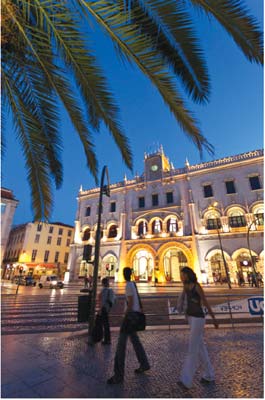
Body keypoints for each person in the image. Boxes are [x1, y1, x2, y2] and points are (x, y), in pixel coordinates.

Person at [107, 267, 150, 384]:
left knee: (120, 346)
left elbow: (130, 302)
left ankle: (118, 375)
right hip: (134, 315)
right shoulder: (133, 284)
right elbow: (136, 300)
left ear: (124, 274)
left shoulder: (128, 286)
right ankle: (144, 364)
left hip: (129, 317)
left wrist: (124, 315)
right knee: (135, 341)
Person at [178, 266, 218, 390]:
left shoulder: (197, 286)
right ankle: (209, 374)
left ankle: (186, 380)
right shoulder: (185, 287)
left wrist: (214, 318)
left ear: (188, 275)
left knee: (192, 348)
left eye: (183, 275)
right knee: (201, 347)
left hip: (198, 318)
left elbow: (205, 302)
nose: (181, 277)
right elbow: (183, 301)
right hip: (190, 318)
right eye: (181, 275)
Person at [98, 277, 114, 345]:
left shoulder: (105, 290)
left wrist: (100, 309)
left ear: (102, 283)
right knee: (104, 324)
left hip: (104, 309)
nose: (109, 283)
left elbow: (103, 301)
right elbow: (113, 300)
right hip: (106, 309)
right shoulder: (109, 290)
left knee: (103, 324)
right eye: (108, 282)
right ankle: (105, 339)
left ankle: (103, 339)